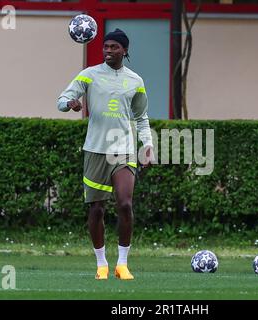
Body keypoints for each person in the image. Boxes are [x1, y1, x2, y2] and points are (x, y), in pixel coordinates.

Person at [57, 28, 154, 280]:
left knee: (125, 204)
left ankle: (122, 264)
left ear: (125, 50)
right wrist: (71, 104)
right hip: (95, 150)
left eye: (114, 47)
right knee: (97, 209)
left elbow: (141, 117)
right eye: (106, 46)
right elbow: (61, 100)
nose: (108, 50)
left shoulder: (135, 81)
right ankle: (102, 264)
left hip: (123, 150)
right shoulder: (89, 75)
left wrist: (147, 145)